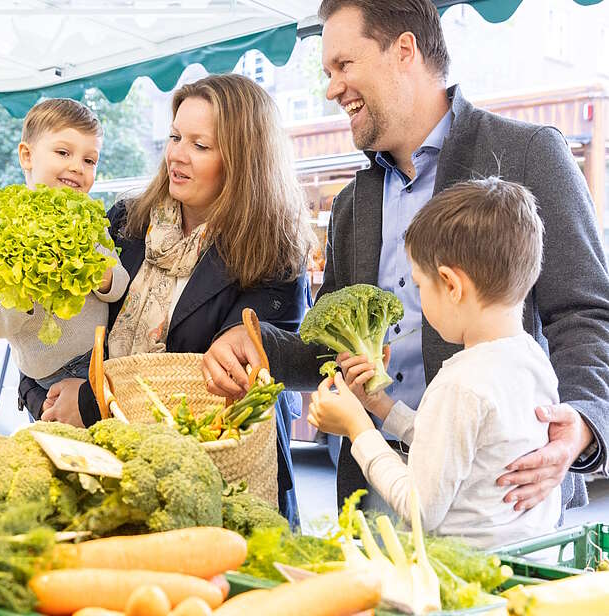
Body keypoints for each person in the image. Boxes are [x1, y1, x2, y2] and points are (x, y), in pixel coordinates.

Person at [203, 0, 609, 518]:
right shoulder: (354, 202)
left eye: (344, 66)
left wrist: (585, 420)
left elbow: (587, 312)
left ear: (404, 51)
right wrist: (260, 346)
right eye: (328, 72)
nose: (331, 88)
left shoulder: (529, 153)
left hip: (504, 496)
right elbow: (331, 345)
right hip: (377, 487)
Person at [18, 75, 315, 523]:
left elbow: (210, 384)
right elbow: (57, 329)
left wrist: (89, 402)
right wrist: (36, 393)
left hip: (213, 493)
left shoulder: (273, 253)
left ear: (243, 159)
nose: (177, 154)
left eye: (200, 144)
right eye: (176, 136)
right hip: (112, 476)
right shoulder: (125, 222)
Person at [308, 178, 561, 547]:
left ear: (451, 284)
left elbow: (419, 507)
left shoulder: (460, 383)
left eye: (419, 285)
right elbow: (454, 447)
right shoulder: (532, 359)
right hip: (525, 566)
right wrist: (381, 406)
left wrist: (358, 428)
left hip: (462, 578)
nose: (420, 298)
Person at [0, 98, 130, 391]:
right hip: (46, 377)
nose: (77, 167)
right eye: (63, 152)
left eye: (89, 160)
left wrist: (103, 275)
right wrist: (27, 288)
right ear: (27, 156)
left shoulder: (90, 220)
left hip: (102, 355)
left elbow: (120, 285)